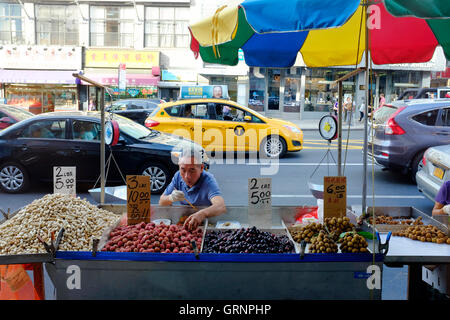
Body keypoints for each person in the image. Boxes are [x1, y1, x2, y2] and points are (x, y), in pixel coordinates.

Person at [159, 148, 226, 230]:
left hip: (205, 221)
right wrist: (171, 198)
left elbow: (220, 206)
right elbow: (162, 202)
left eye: (192, 170)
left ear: (201, 168)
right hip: (184, 220)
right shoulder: (178, 176)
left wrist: (202, 214)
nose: (187, 176)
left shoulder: (208, 180)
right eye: (183, 170)